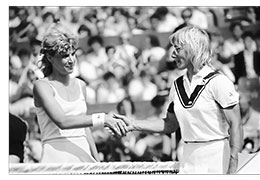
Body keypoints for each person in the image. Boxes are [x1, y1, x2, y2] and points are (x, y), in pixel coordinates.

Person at [114, 26, 243, 174]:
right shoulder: (177, 85)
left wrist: (233, 166)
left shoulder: (218, 81)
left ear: (193, 49)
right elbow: (170, 125)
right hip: (188, 159)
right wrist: (132, 124)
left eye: (178, 49)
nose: (173, 54)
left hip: (218, 159)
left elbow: (236, 124)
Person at [33, 22, 127, 163]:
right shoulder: (42, 86)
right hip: (56, 158)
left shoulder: (81, 85)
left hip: (83, 158)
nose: (71, 60)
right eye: (64, 56)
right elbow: (62, 121)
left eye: (73, 54)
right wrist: (103, 119)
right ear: (50, 58)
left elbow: (84, 128)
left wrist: (97, 162)